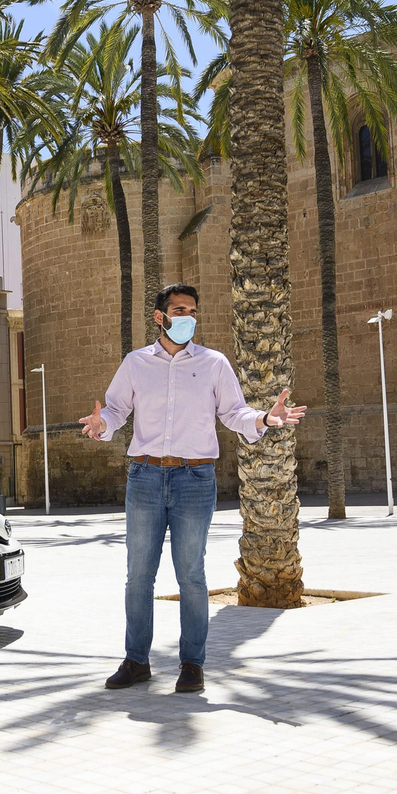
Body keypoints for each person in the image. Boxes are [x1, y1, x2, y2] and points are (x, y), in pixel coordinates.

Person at [79, 284, 306, 693]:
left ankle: (192, 664)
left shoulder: (214, 363)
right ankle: (136, 661)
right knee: (138, 575)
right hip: (145, 477)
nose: (188, 317)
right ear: (159, 317)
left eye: (193, 311)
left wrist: (265, 421)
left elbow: (234, 412)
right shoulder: (135, 363)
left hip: (195, 479)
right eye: (179, 310)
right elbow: (115, 410)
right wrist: (101, 426)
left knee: (192, 575)